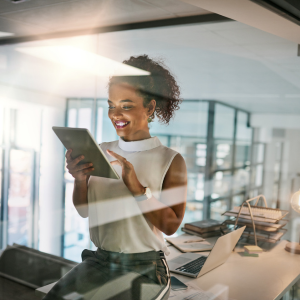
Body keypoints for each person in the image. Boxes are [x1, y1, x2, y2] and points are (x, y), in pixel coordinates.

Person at [44, 55, 187, 300]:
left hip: (145, 269)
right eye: (111, 105)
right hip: (100, 262)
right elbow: (84, 210)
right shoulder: (99, 149)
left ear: (150, 108)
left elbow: (171, 226)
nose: (115, 114)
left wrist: (138, 191)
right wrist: (79, 180)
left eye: (127, 105)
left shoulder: (170, 160)